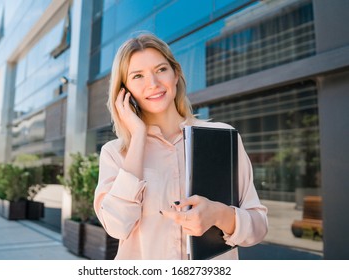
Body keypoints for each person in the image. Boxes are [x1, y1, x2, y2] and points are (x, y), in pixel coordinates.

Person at [93, 33, 268, 260]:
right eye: (138, 76)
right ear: (124, 91)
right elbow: (117, 226)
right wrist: (137, 137)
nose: (153, 84)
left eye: (161, 70)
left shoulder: (223, 137)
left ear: (176, 74)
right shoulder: (115, 153)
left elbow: (258, 227)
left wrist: (219, 214)